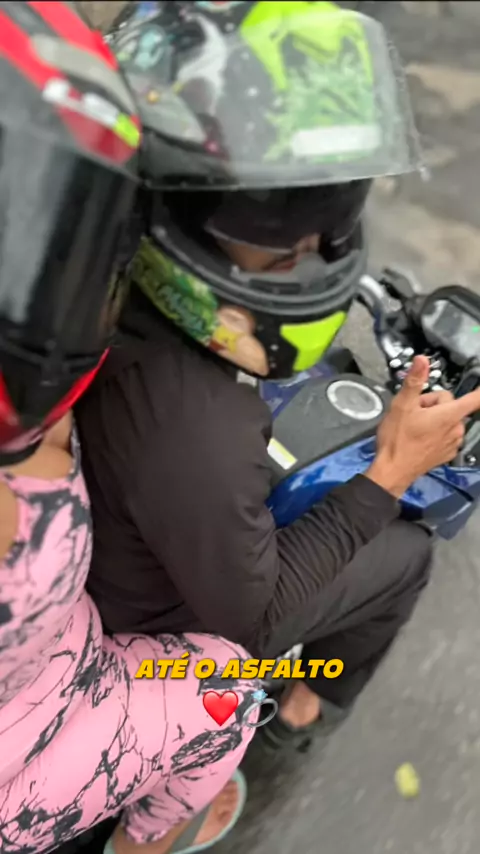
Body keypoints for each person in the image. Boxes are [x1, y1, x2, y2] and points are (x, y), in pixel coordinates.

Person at [75, 0, 480, 754]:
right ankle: (303, 709)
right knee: (407, 558)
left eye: (326, 207)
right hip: (148, 629)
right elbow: (250, 616)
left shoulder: (89, 275)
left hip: (122, 535)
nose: (311, 246)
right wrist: (389, 472)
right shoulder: (196, 420)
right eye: (273, 222)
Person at [0, 5, 259, 853]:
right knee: (229, 689)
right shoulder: (26, 461)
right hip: (27, 741)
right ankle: (146, 837)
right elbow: (247, 603)